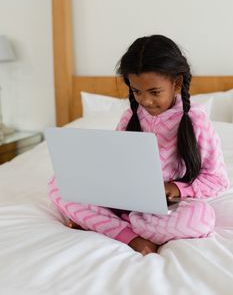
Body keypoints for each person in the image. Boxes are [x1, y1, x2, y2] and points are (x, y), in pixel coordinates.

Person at [48, 35, 229, 255]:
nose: (145, 101)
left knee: (202, 218)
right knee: (58, 183)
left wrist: (176, 188)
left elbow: (217, 181)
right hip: (122, 199)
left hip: (164, 206)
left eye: (154, 92)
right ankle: (131, 236)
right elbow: (115, 162)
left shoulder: (196, 120)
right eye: (136, 91)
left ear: (177, 83)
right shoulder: (130, 117)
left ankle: (105, 225)